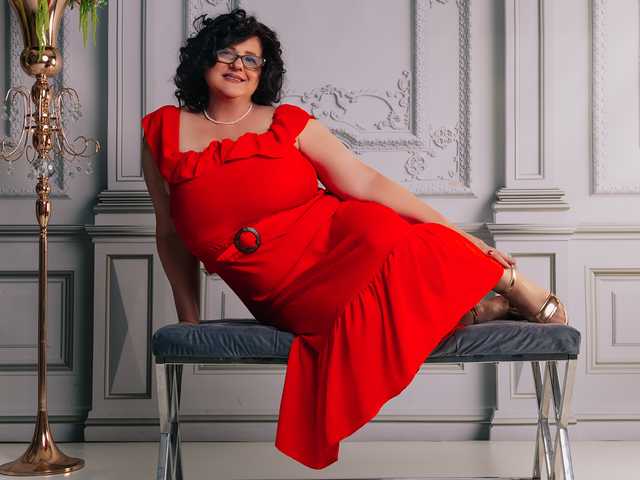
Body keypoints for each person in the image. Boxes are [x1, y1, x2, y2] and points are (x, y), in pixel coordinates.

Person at [140, 8, 569, 470]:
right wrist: (189, 319)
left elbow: (365, 182)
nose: (238, 66)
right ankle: (476, 308)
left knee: (407, 239)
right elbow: (170, 232)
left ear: (263, 72)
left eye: (251, 59)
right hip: (281, 287)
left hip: (344, 236)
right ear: (204, 58)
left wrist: (466, 239)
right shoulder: (161, 130)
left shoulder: (288, 122)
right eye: (227, 53)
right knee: (344, 316)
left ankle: (507, 282)